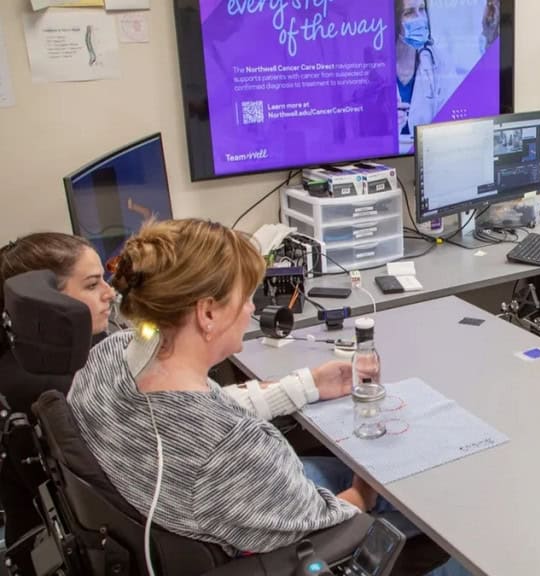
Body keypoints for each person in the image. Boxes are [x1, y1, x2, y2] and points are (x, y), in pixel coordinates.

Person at [67, 220, 460, 574]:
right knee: (463, 546)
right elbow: (334, 524)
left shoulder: (107, 357)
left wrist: (307, 385)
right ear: (207, 314)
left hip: (213, 507)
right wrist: (363, 491)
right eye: (245, 297)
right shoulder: (229, 450)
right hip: (302, 545)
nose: (252, 307)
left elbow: (199, 414)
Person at [0, 233, 115, 549]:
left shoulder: (25, 358)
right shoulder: (57, 385)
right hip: (79, 546)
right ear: (44, 303)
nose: (110, 293)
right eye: (92, 285)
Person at [396, 0, 442, 153]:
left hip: (427, 157)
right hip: (383, 161)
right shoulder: (370, 69)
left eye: (422, 9)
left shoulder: (438, 62)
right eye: (408, 13)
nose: (420, 19)